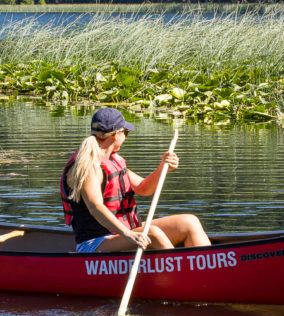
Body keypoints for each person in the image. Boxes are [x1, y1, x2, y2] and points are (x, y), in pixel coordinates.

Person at [61, 108, 211, 253]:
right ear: (116, 134)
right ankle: (183, 271)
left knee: (189, 222)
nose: (126, 136)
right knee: (152, 233)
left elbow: (144, 188)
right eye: (126, 132)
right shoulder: (88, 165)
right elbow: (95, 208)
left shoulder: (112, 160)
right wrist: (128, 234)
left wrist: (163, 167)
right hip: (95, 243)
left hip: (124, 233)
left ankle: (205, 264)